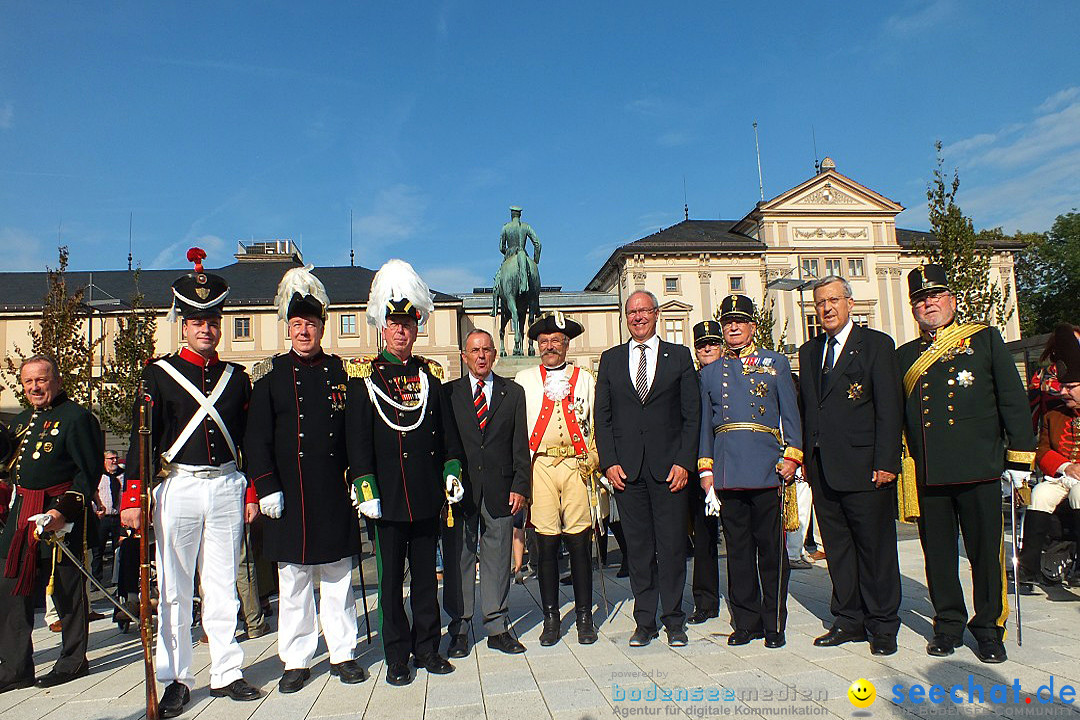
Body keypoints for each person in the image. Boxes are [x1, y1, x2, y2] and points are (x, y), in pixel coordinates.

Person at [120, 248, 261, 717]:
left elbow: (249, 440)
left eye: (213, 320)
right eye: (197, 320)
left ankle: (227, 671)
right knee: (176, 588)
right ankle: (177, 678)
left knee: (222, 584)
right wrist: (134, 496)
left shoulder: (236, 378)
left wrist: (252, 490)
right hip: (178, 486)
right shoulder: (157, 375)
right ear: (183, 324)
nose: (206, 328)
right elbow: (143, 439)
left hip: (225, 486)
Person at [896, 263, 1035, 663]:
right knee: (937, 554)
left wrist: (1019, 458)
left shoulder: (986, 341)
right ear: (913, 308)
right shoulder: (905, 355)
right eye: (920, 299)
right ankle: (948, 624)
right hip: (930, 471)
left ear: (952, 300)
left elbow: (1011, 398)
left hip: (980, 466)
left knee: (984, 554)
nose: (928, 304)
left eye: (935, 296)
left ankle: (990, 627)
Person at [244, 266, 367, 694]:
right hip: (288, 494)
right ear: (288, 327)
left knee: (337, 577)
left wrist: (359, 478)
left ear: (321, 327)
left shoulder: (342, 374)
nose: (303, 331)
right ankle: (296, 660)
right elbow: (255, 439)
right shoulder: (270, 377)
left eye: (310, 324)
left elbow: (354, 432)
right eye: (296, 324)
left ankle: (343, 652)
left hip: (332, 490)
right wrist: (265, 486)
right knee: (293, 580)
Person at [346, 259, 464, 687]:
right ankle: (397, 655)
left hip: (426, 495)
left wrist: (451, 471)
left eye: (408, 326)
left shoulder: (429, 376)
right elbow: (357, 443)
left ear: (417, 329)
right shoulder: (362, 378)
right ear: (383, 327)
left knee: (427, 580)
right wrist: (365, 485)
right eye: (394, 325)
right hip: (388, 500)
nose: (401, 332)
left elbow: (447, 437)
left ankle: (428, 647)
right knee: (391, 582)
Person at [797, 276, 903, 655]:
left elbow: (889, 408)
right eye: (820, 303)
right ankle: (848, 619)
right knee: (839, 549)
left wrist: (887, 461)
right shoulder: (809, 352)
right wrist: (807, 458)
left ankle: (883, 624)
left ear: (850, 303)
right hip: (823, 467)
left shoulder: (875, 345)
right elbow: (809, 410)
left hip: (865, 466)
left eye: (833, 300)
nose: (826, 308)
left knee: (875, 549)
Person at [595, 290, 700, 648]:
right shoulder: (611, 360)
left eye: (643, 310)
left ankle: (674, 620)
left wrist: (685, 461)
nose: (638, 317)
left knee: (671, 547)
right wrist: (609, 462)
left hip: (670, 469)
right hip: (627, 472)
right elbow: (603, 417)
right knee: (638, 550)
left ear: (655, 313)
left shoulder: (680, 357)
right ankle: (645, 621)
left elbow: (692, 415)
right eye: (631, 312)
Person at [697, 295, 802, 649]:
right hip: (728, 470)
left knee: (771, 551)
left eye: (740, 321)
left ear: (753, 326)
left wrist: (792, 456)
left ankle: (773, 622)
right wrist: (706, 470)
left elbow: (791, 414)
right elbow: (704, 427)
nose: (733, 327)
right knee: (738, 552)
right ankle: (745, 622)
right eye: (727, 322)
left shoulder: (775, 363)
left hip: (766, 466)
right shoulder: (710, 373)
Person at [0, 356, 102, 692]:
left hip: (58, 517)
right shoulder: (23, 420)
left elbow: (87, 473)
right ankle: (16, 668)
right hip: (20, 517)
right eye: (28, 382)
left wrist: (63, 512)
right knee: (11, 589)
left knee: (66, 591)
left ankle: (73, 662)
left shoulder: (76, 419)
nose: (34, 387)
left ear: (57, 381)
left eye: (41, 380)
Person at [515, 312, 605, 646]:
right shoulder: (524, 380)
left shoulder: (585, 379)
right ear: (537, 346)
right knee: (547, 545)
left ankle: (584, 617)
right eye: (544, 341)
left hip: (576, 466)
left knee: (580, 543)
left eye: (556, 341)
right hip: (540, 467)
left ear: (566, 344)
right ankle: (551, 618)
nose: (550, 346)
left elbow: (597, 422)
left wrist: (594, 457)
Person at [442, 329, 531, 657]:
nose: (480, 356)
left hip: (500, 489)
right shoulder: (448, 394)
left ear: (495, 354)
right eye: (474, 350)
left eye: (486, 350)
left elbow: (520, 444)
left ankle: (496, 626)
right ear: (464, 356)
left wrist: (521, 485)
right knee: (460, 558)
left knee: (497, 558)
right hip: (461, 493)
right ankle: (461, 628)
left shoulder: (513, 393)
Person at [1017, 325, 1080, 590]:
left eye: (1071, 387)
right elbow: (1043, 451)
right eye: (1063, 386)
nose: (1063, 391)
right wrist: (1065, 467)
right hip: (1062, 475)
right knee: (1041, 493)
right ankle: (1027, 568)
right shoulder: (1054, 412)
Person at [687, 320, 721, 625]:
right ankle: (706, 601)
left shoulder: (734, 375)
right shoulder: (691, 379)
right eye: (701, 344)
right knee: (704, 538)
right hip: (700, 466)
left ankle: (743, 598)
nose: (706, 348)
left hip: (731, 464)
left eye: (712, 343)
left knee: (740, 539)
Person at [91, 451, 124, 582]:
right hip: (102, 518)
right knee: (98, 550)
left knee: (119, 549)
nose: (114, 461)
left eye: (116, 458)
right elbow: (93, 493)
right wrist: (97, 509)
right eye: (111, 459)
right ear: (104, 460)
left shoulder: (122, 475)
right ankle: (96, 580)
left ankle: (117, 580)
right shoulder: (98, 475)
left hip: (118, 518)